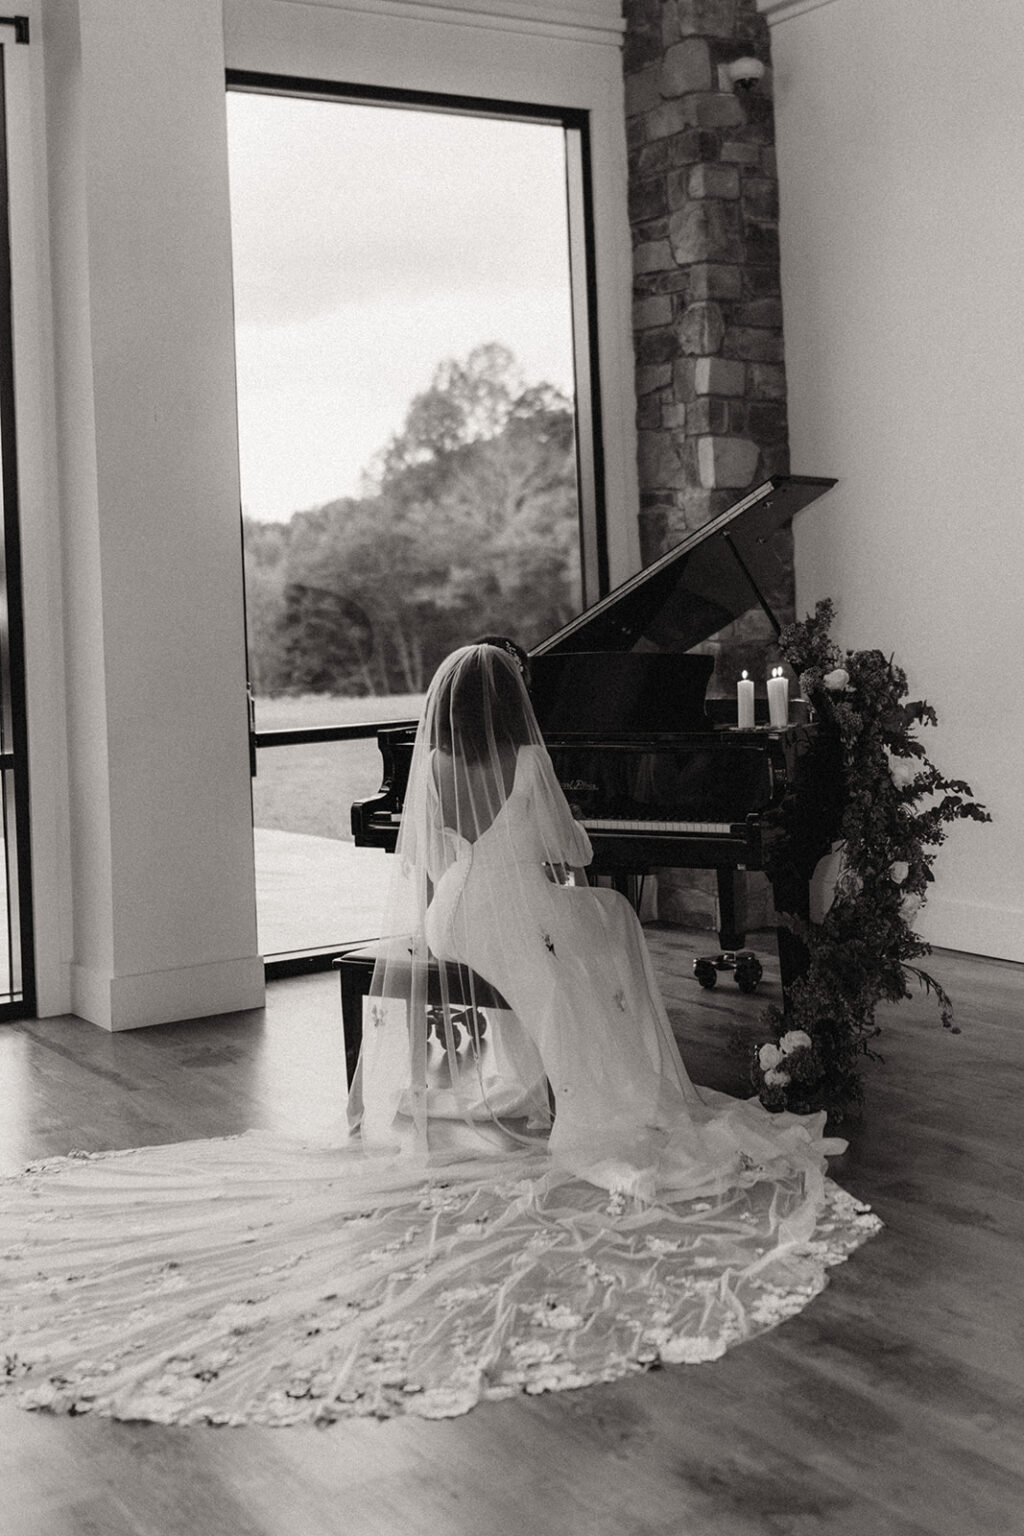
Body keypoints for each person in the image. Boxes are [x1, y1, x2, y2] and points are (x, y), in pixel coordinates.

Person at [0, 643, 879, 1427]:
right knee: (610, 920)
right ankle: (606, 1084)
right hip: (517, 908)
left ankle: (546, 1073)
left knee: (592, 930)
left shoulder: (440, 761)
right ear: (512, 704)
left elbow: (423, 859)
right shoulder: (529, 757)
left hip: (458, 915)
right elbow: (571, 849)